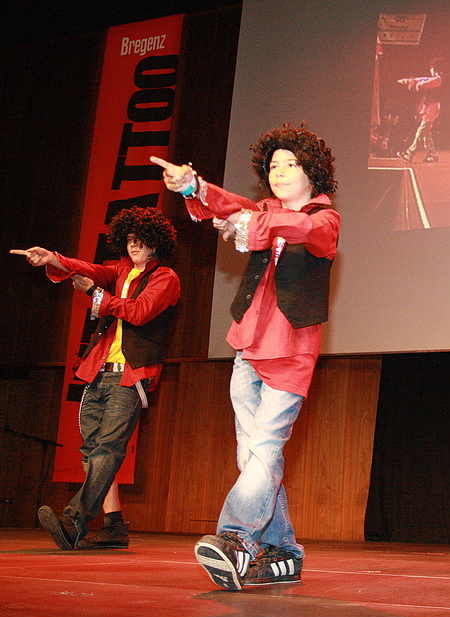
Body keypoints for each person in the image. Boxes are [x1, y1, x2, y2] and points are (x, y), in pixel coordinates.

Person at [151, 123, 339, 590]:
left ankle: (236, 538)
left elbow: (301, 229)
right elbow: (230, 204)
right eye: (273, 165)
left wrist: (250, 223)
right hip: (248, 347)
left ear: (312, 173)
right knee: (251, 454)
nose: (280, 172)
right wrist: (194, 187)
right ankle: (283, 552)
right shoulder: (262, 210)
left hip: (291, 351)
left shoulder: (324, 219)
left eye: (291, 164)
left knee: (265, 448)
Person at [12, 207, 180, 550]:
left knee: (107, 449)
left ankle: (74, 520)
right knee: (93, 453)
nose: (134, 245)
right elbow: (87, 269)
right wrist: (52, 258)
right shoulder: (118, 271)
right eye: (130, 239)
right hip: (98, 372)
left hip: (129, 377)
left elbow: (139, 312)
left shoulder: (165, 278)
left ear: (155, 243)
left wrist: (96, 295)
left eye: (141, 240)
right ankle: (114, 526)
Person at [398, 57, 444, 164]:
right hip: (428, 107)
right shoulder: (434, 78)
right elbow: (421, 79)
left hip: (432, 107)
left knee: (421, 130)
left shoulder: (438, 79)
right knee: (426, 133)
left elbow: (423, 82)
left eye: (432, 68)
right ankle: (431, 154)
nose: (430, 70)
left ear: (435, 69)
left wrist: (415, 83)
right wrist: (409, 81)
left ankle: (410, 152)